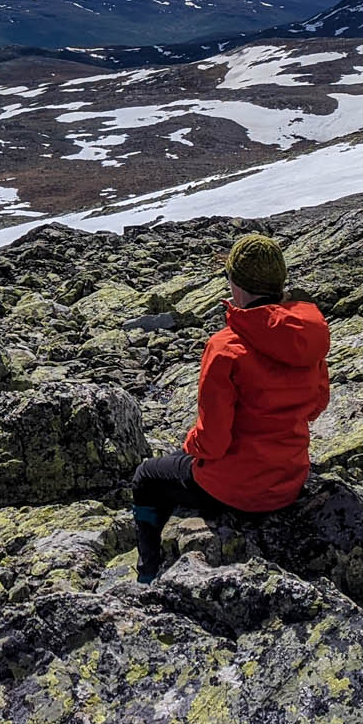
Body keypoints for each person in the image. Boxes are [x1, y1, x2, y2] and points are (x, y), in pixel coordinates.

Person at [130, 232, 331, 583]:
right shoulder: (307, 336)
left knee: (146, 476)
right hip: (290, 480)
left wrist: (190, 445)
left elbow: (213, 442)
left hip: (237, 491)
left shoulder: (225, 347)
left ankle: (148, 571)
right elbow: (316, 405)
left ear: (236, 283)